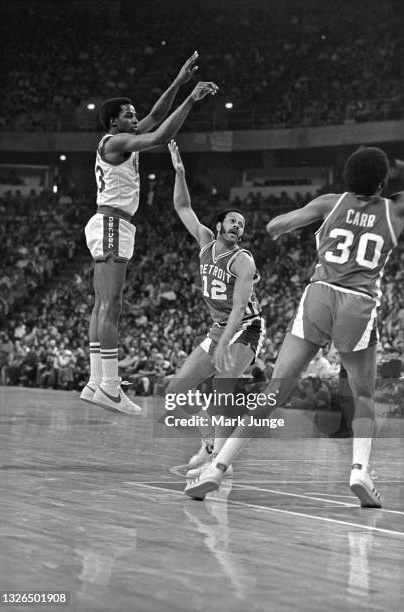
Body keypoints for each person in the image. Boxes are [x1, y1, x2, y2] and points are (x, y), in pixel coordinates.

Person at [185, 146, 404, 507]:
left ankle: (217, 469)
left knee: (274, 392)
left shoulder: (329, 202)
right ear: (382, 181)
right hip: (358, 302)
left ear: (347, 177)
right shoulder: (394, 209)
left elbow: (275, 226)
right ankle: (360, 471)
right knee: (363, 395)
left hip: (318, 296)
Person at [80, 53, 218, 415]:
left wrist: (178, 80)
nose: (135, 118)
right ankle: (110, 387)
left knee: (103, 305)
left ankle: (97, 382)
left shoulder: (120, 139)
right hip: (112, 223)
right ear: (114, 121)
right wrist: (191, 98)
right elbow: (162, 132)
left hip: (109, 222)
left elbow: (155, 117)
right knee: (111, 306)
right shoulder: (115, 141)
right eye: (128, 114)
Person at [166, 140, 266, 475]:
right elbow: (183, 208)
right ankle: (210, 442)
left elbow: (239, 309)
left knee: (222, 386)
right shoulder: (205, 243)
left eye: (242, 225)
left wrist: (224, 343)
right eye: (233, 222)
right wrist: (180, 173)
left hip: (245, 327)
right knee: (174, 393)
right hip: (218, 328)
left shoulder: (243, 260)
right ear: (219, 225)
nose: (239, 227)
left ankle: (219, 462)